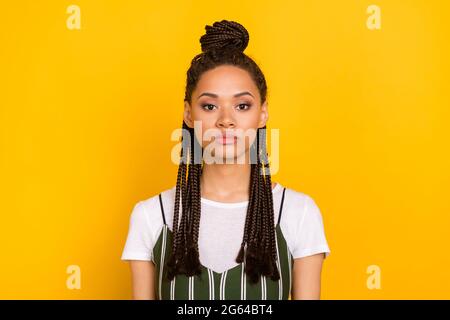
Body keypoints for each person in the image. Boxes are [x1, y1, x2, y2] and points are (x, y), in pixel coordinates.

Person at [121, 19, 331, 300]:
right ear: (188, 113)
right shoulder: (151, 215)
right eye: (209, 106)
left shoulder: (298, 212)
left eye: (242, 105)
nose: (226, 120)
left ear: (263, 113)